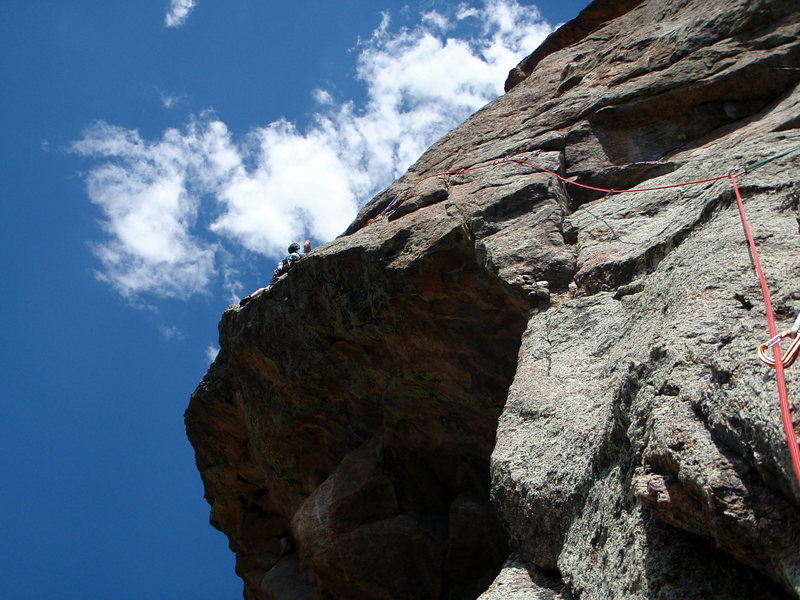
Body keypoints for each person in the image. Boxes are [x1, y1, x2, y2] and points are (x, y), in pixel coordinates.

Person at [240, 240, 312, 306]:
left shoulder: (286, 257)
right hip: (291, 266)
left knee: (268, 287)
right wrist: (308, 248)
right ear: (296, 247)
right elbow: (307, 244)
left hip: (279, 271)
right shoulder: (299, 251)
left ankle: (250, 297)